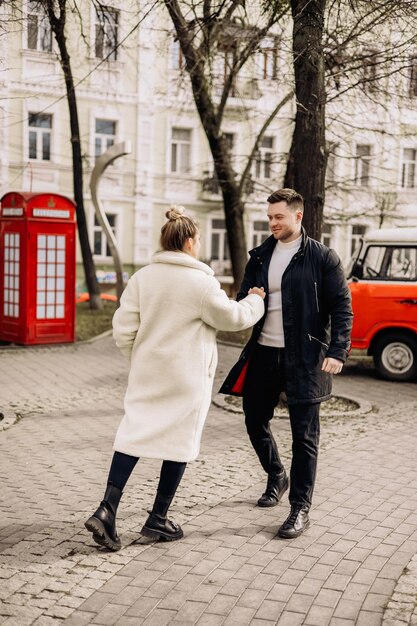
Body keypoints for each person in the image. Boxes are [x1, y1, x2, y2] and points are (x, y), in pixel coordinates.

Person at [85, 206, 265, 550]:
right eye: (197, 240)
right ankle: (158, 517)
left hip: (148, 372)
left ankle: (107, 509)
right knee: (180, 441)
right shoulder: (201, 282)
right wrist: (255, 301)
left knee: (133, 433)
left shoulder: (143, 278)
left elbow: (123, 329)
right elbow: (233, 317)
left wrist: (139, 360)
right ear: (188, 242)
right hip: (186, 377)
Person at [220, 188, 353, 539]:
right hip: (264, 352)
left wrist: (337, 351)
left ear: (298, 216)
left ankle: (299, 508)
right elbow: (243, 295)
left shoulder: (323, 258)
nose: (272, 223)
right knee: (253, 419)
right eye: (269, 217)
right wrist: (249, 298)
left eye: (278, 217)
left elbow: (342, 307)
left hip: (305, 358)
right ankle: (276, 474)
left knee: (304, 437)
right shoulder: (261, 256)